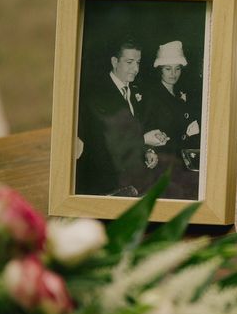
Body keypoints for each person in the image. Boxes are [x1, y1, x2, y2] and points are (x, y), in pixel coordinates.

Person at [76, 37, 167, 196]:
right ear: (114, 61)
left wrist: (147, 151)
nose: (135, 69)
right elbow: (101, 144)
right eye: (129, 62)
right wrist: (144, 140)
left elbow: (135, 129)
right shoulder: (97, 94)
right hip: (102, 184)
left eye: (138, 63)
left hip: (131, 180)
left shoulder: (136, 92)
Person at [141, 40, 201, 199]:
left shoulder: (182, 93)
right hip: (163, 166)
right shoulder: (152, 97)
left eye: (177, 68)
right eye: (168, 69)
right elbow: (144, 129)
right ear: (159, 70)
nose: (173, 74)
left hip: (184, 163)